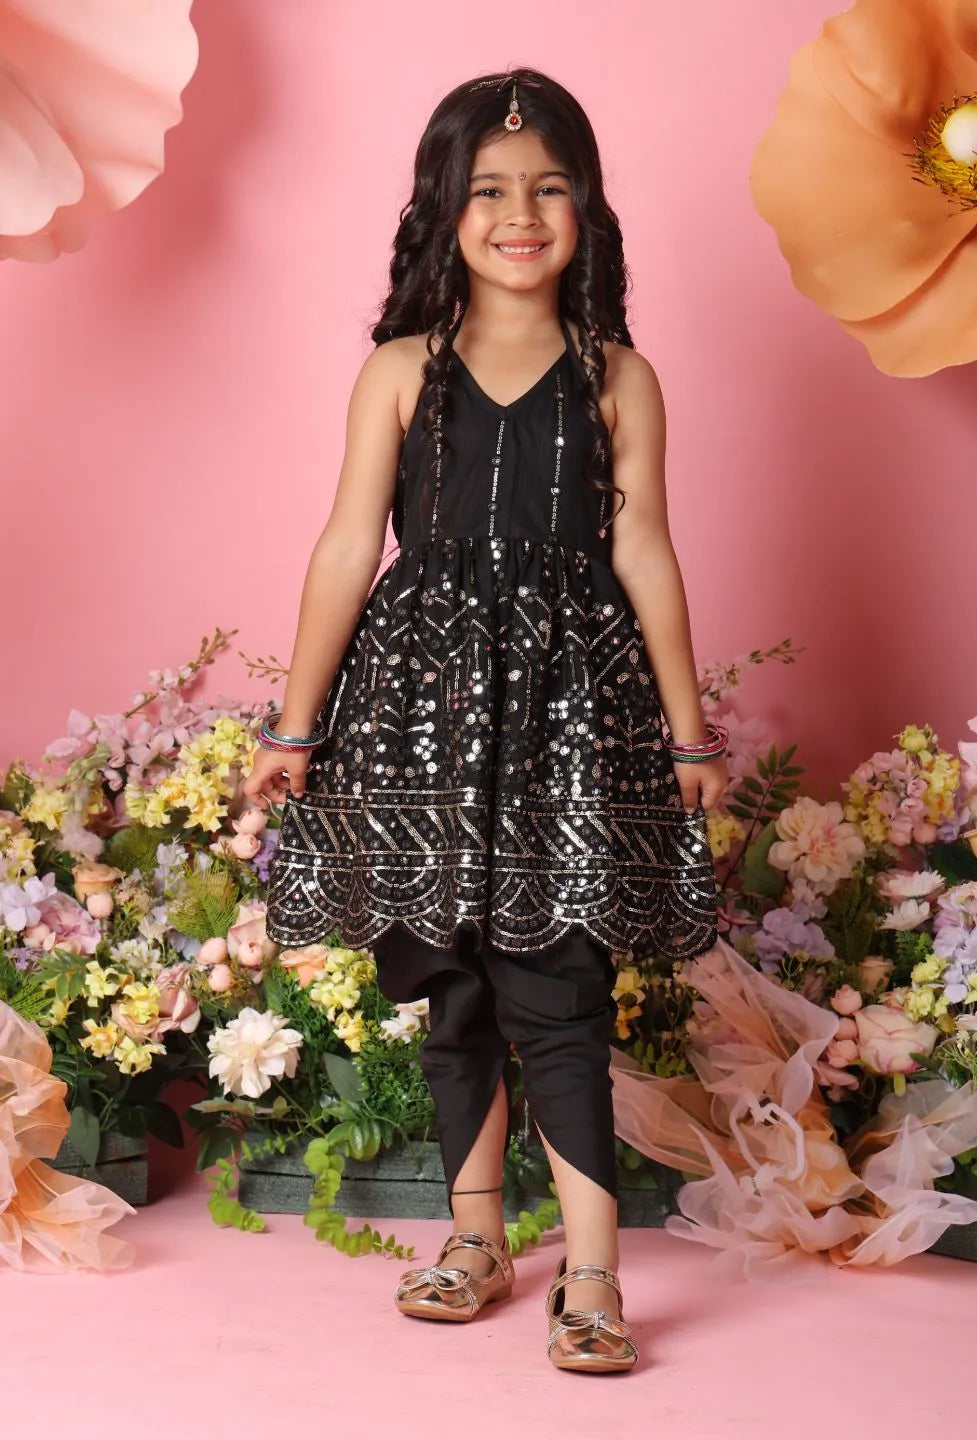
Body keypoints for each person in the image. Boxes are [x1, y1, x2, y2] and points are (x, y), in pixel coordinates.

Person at [242, 67, 727, 1374]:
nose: (521, 213)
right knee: (447, 978)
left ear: (588, 210)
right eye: (492, 189)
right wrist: (294, 731)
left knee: (560, 980)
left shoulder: (619, 378)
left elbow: (651, 558)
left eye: (549, 187)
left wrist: (689, 741)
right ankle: (474, 1241)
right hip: (416, 722)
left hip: (572, 730)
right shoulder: (401, 373)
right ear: (445, 210)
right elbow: (348, 549)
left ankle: (592, 1272)